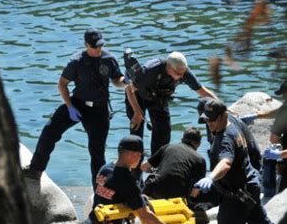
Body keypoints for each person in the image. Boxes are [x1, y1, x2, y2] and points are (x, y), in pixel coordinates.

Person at [193, 98, 275, 224]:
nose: (209, 124)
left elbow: (226, 162)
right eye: (206, 120)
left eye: (212, 120)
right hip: (250, 188)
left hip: (235, 199)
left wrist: (211, 177)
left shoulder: (225, 138)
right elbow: (252, 150)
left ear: (224, 116)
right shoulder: (236, 123)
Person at [22, 28, 126, 190]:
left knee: (97, 153)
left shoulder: (109, 59)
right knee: (50, 131)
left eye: (100, 45)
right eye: (94, 46)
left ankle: (98, 190)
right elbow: (62, 84)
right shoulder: (76, 62)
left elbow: (116, 80)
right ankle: (35, 169)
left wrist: (124, 80)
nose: (98, 49)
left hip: (99, 110)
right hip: (77, 104)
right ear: (86, 45)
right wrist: (70, 107)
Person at [125, 51, 218, 156]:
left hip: (158, 98)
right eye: (178, 74)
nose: (181, 76)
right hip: (138, 95)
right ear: (168, 66)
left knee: (163, 132)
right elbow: (129, 87)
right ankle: (134, 165)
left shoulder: (183, 72)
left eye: (183, 73)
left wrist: (220, 105)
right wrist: (137, 111)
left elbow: (202, 91)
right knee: (137, 130)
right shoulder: (151, 70)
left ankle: (157, 165)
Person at [140, 126, 206, 201]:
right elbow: (194, 193)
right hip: (177, 197)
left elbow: (143, 167)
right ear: (198, 144)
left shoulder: (168, 147)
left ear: (182, 139)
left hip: (154, 189)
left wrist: (154, 170)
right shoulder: (200, 160)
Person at [197, 97, 263, 172]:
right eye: (205, 119)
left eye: (210, 118)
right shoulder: (216, 121)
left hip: (249, 162)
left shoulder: (226, 128)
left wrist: (212, 176)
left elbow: (227, 155)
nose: (208, 122)